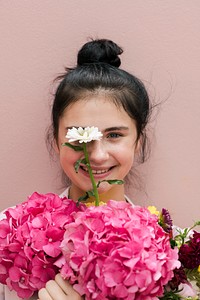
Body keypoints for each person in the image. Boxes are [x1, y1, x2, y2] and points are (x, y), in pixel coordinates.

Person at [0, 39, 152, 300]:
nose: (97, 155)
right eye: (78, 137)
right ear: (55, 142)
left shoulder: (164, 251)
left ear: (138, 142)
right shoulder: (9, 235)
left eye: (114, 135)